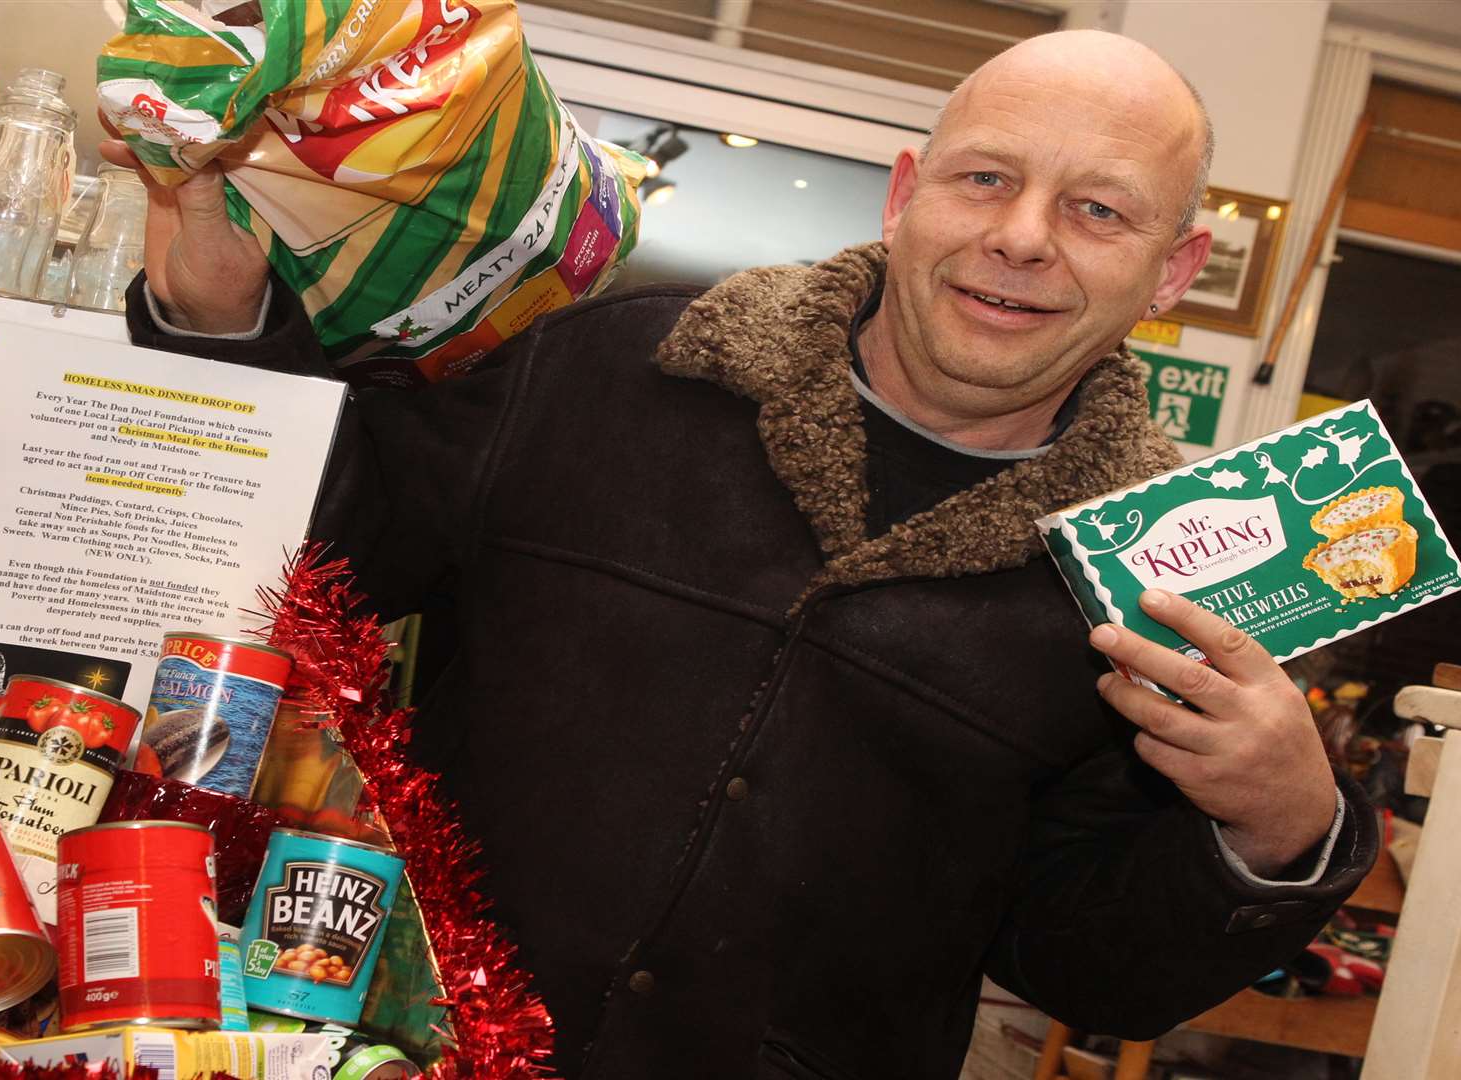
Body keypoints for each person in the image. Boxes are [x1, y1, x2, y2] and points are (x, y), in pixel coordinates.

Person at [109, 29, 1375, 1079]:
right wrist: (219, 322)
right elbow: (317, 562)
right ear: (905, 194)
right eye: (985, 179)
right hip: (386, 1048)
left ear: (1175, 271)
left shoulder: (1151, 577)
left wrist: (1281, 829)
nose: (1025, 236)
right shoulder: (609, 366)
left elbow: (1088, 967)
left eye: (1099, 210)